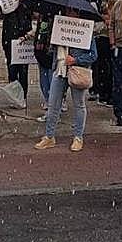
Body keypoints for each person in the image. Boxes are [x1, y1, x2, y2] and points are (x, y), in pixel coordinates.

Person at [34, 9, 99, 152]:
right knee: (53, 104)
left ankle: (78, 137)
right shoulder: (58, 27)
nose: (68, 14)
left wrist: (76, 59)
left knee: (79, 104)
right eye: (66, 12)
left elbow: (93, 55)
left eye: (71, 12)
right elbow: (52, 50)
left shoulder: (85, 30)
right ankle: (49, 136)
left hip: (76, 70)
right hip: (59, 69)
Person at [3, 0, 34, 97]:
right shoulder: (7, 6)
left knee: (23, 72)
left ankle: (23, 96)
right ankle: (14, 96)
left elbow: (29, 15)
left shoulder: (26, 4)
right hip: (10, 41)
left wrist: (21, 0)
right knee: (12, 71)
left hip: (23, 41)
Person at [90, 0, 115, 105]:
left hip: (111, 38)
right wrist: (103, 21)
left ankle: (107, 93)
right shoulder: (95, 4)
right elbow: (93, 24)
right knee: (101, 67)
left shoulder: (113, 1)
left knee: (109, 67)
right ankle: (102, 93)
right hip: (100, 38)